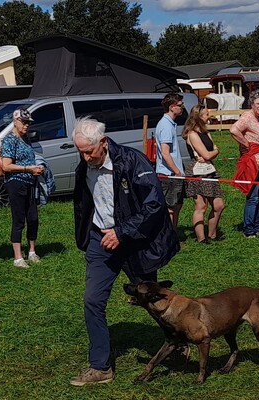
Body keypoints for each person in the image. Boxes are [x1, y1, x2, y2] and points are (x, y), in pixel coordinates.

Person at [70, 116, 179, 386]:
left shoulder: (133, 161)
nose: (85, 158)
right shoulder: (84, 168)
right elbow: (83, 204)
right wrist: (91, 235)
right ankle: (100, 367)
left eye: (89, 151)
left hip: (135, 240)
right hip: (100, 240)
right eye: (80, 152)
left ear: (103, 143)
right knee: (92, 300)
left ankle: (179, 340)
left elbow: (154, 205)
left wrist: (122, 232)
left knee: (153, 300)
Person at [1, 109, 44, 269]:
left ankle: (32, 251)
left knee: (33, 218)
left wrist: (38, 168)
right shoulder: (9, 140)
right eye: (24, 122)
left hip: (30, 182)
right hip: (16, 183)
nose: (27, 125)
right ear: (15, 121)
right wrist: (28, 169)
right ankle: (18, 257)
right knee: (19, 219)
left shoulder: (25, 138)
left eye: (29, 123)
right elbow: (6, 166)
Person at [182, 105, 225, 244]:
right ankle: (201, 238)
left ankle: (212, 235)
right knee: (201, 206)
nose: (209, 117)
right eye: (206, 114)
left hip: (210, 170)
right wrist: (212, 154)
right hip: (197, 171)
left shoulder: (205, 132)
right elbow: (207, 153)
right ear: (198, 117)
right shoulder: (192, 134)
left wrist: (212, 154)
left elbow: (215, 151)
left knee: (218, 205)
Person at [230, 91, 259, 238]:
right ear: (252, 104)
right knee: (253, 197)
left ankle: (258, 226)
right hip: (253, 162)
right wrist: (246, 144)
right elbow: (233, 130)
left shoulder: (257, 118)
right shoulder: (247, 117)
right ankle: (249, 229)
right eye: (258, 103)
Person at [156, 92, 185, 231]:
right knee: (170, 208)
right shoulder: (165, 126)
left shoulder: (170, 124)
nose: (182, 107)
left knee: (177, 205)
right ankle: (167, 236)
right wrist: (177, 171)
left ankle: (173, 234)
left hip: (173, 173)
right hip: (168, 174)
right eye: (180, 105)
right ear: (172, 107)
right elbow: (165, 153)